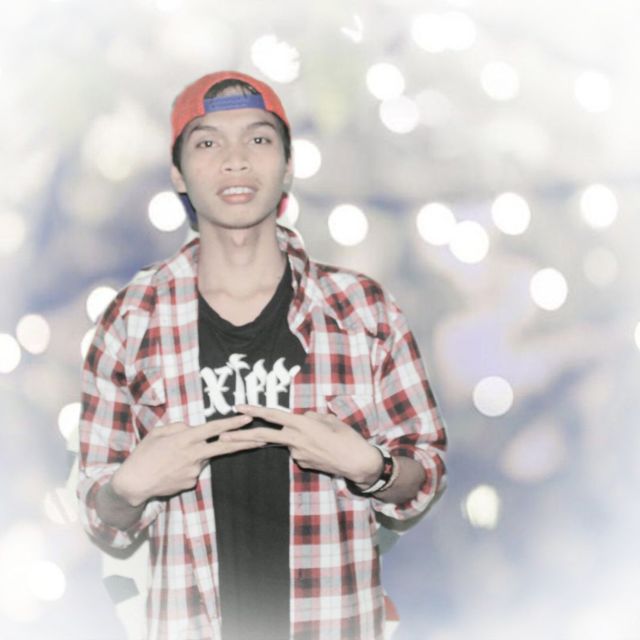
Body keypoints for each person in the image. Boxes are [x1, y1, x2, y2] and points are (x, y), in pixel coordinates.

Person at [77, 70, 447, 640]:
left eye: (258, 139)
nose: (235, 160)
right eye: (207, 142)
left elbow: (424, 473)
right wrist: (128, 488)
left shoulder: (362, 310)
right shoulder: (132, 317)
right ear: (178, 172)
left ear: (288, 164)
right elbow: (103, 517)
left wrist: (371, 469)